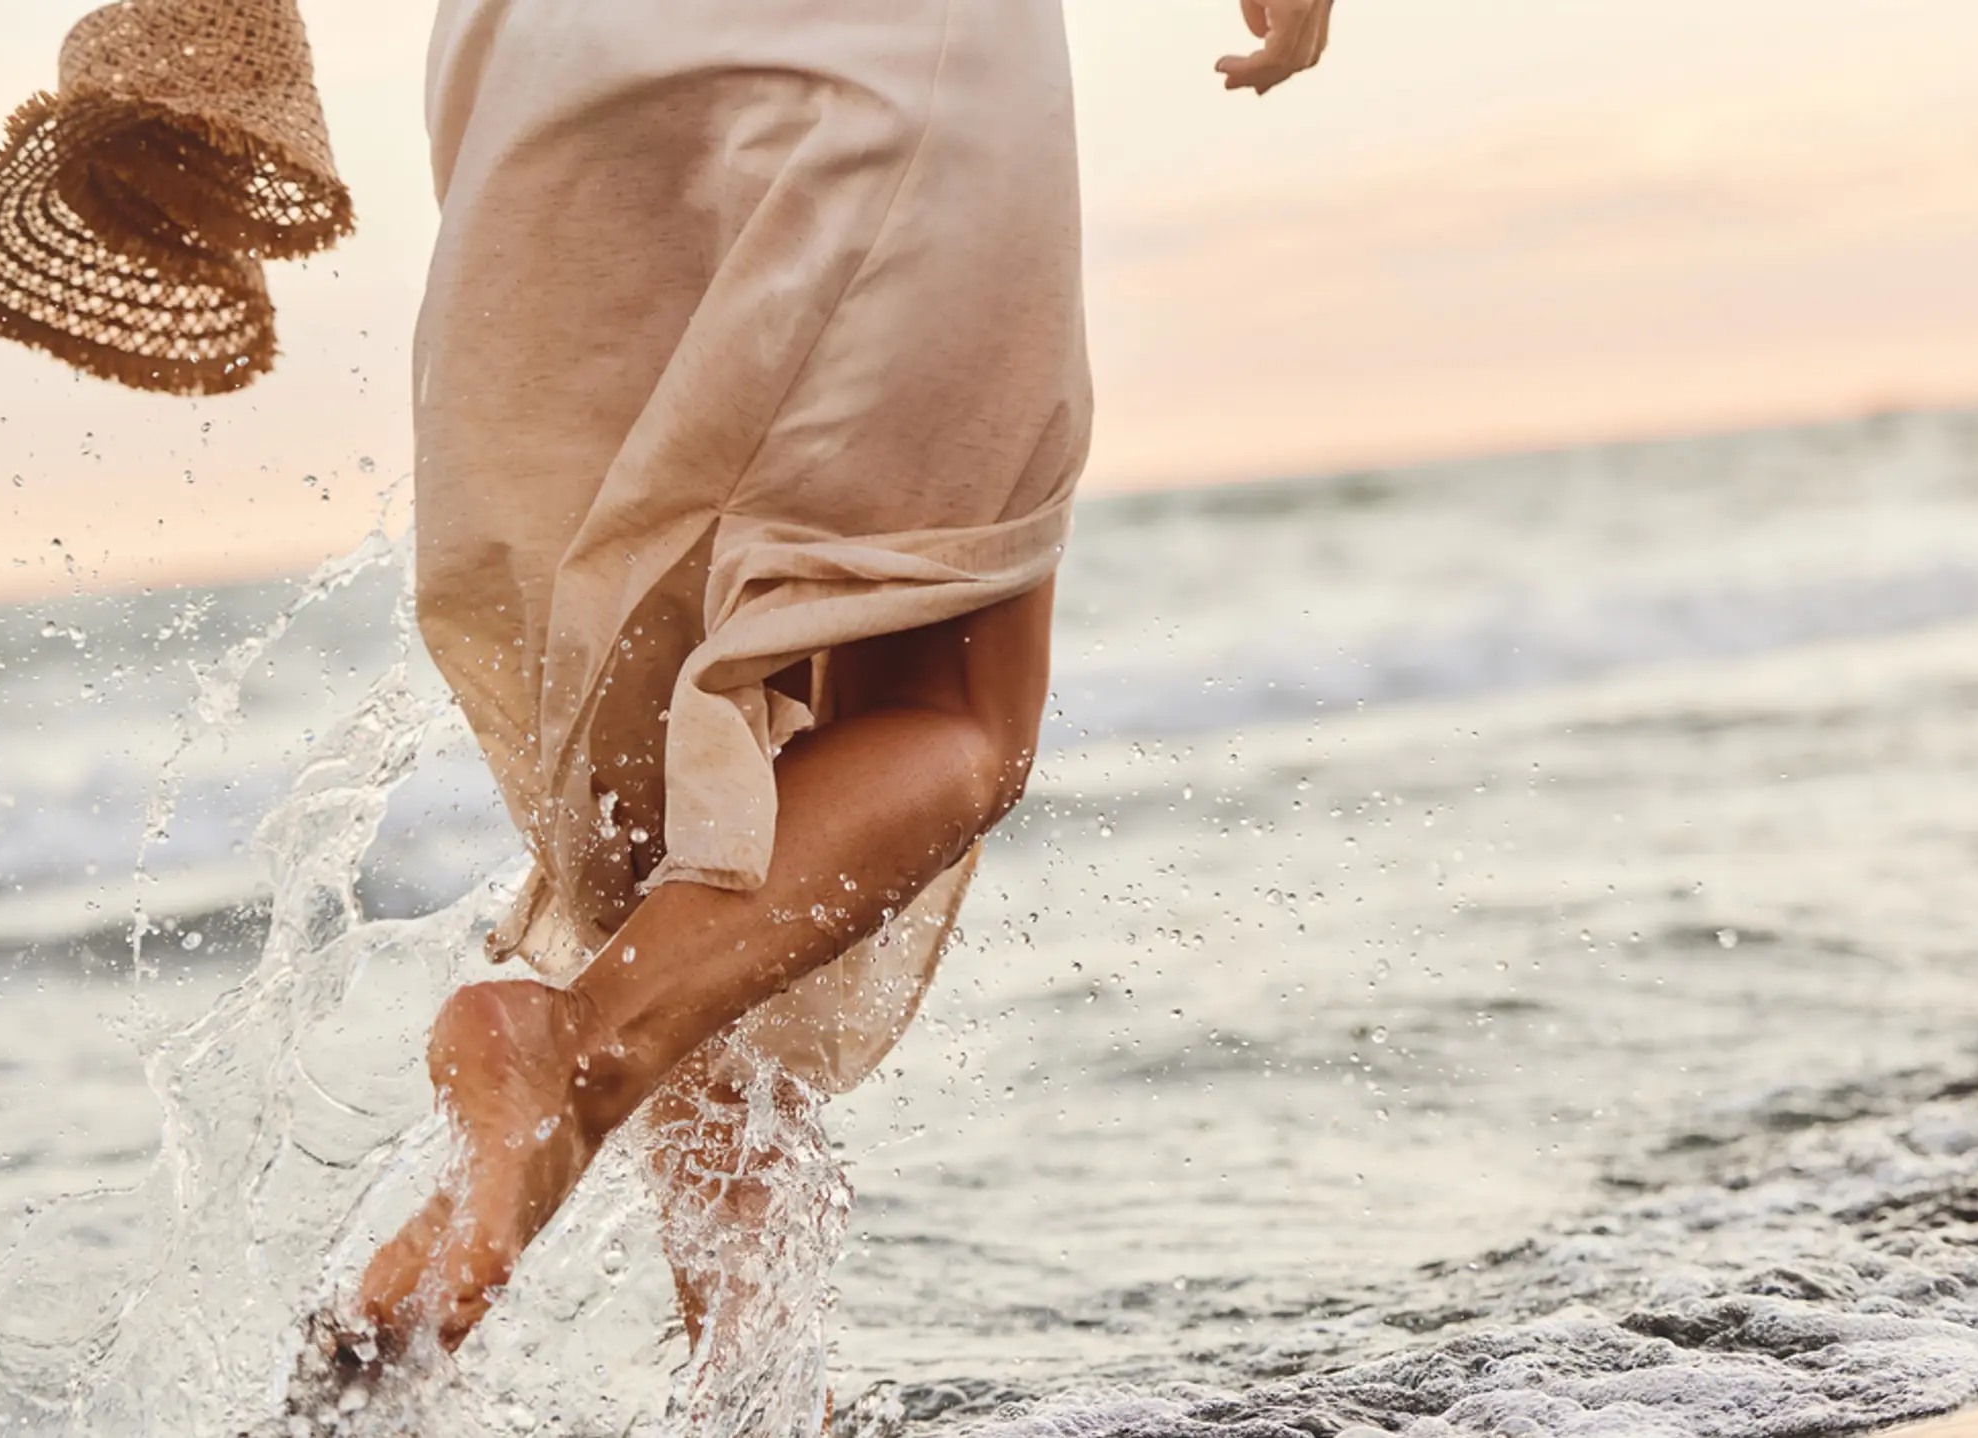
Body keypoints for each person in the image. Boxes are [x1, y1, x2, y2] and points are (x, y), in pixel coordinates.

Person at [316, 0, 1338, 1408]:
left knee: (700, 812)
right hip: (869, 46)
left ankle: (751, 1388)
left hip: (541, 69)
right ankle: (569, 1062)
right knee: (952, 708)